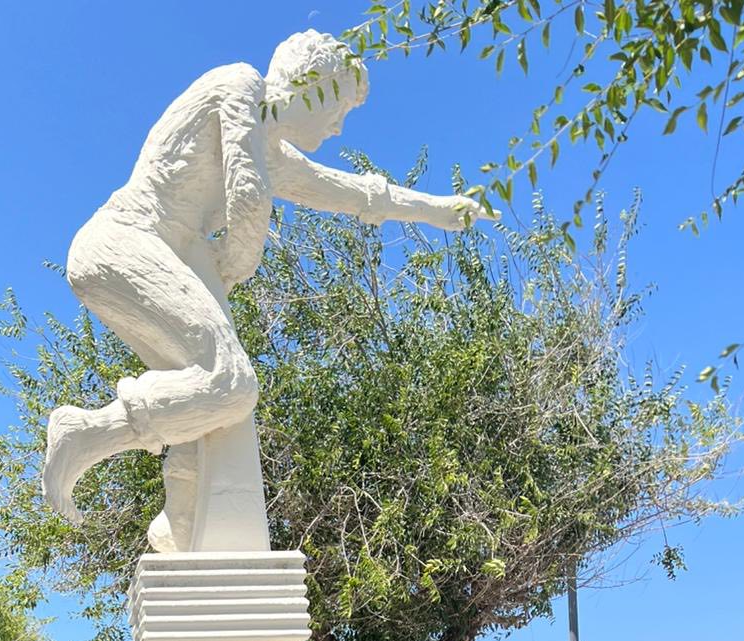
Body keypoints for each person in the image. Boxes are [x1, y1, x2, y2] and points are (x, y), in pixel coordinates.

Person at [41, 29, 486, 544]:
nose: (339, 128)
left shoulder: (271, 151)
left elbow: (350, 191)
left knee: (206, 392)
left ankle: (181, 522)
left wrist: (435, 209)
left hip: (164, 252)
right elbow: (248, 194)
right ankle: (85, 434)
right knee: (229, 383)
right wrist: (235, 264)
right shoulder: (239, 84)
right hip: (121, 243)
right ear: (311, 86)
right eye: (337, 109)